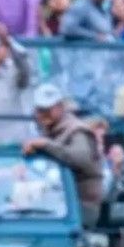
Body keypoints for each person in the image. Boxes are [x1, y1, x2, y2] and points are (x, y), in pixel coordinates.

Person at [22, 84, 104, 227]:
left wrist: (45, 145)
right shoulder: (47, 130)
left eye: (48, 109)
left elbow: (80, 159)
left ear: (60, 107)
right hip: (57, 202)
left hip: (80, 206)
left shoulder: (76, 131)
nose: (43, 114)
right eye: (40, 110)